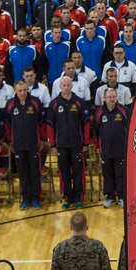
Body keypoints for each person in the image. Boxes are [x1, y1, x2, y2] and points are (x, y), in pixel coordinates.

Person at [47, 75, 91, 209]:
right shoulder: (54, 104)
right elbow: (49, 125)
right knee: (64, 173)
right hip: (61, 146)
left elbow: (87, 124)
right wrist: (53, 145)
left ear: (72, 86)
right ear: (60, 87)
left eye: (68, 85)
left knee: (78, 172)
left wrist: (86, 143)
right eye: (64, 85)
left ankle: (78, 198)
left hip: (77, 145)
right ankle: (67, 198)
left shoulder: (79, 102)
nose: (66, 88)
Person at [6, 81, 44, 209]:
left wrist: (42, 139)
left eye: (24, 90)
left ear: (27, 90)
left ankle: (36, 198)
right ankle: (26, 198)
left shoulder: (35, 102)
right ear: (15, 91)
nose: (22, 93)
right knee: (22, 173)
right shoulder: (10, 104)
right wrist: (10, 141)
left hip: (33, 144)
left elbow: (41, 122)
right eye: (19, 91)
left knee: (34, 172)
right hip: (18, 145)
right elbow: (7, 125)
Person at [93, 88, 129, 208]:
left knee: (120, 174)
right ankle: (110, 197)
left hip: (121, 150)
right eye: (109, 97)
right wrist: (97, 147)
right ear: (104, 98)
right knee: (107, 174)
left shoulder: (124, 111)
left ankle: (122, 197)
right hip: (105, 150)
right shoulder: (98, 113)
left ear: (117, 97)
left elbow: (130, 130)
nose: (111, 99)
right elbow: (95, 131)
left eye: (113, 97)